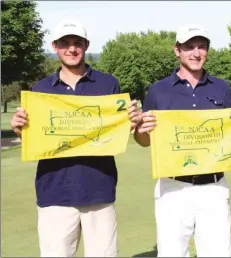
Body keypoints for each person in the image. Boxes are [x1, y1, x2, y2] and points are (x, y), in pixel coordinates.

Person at [10, 19, 141, 257]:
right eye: (65, 43)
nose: (71, 48)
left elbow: (118, 130)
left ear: (86, 45)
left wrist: (131, 121)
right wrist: (21, 129)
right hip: (54, 192)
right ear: (55, 47)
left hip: (99, 190)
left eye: (77, 43)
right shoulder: (40, 90)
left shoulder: (108, 84)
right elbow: (34, 136)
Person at [134, 24, 231, 257]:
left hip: (213, 188)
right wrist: (142, 130)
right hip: (172, 188)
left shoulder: (221, 88)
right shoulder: (158, 90)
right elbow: (144, 141)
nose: (196, 53)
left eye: (202, 47)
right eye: (189, 47)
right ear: (177, 50)